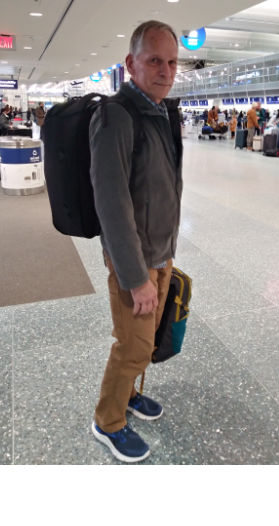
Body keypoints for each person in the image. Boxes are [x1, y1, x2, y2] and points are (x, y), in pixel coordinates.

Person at [89, 20, 183, 463]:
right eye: (154, 60)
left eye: (171, 61)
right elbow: (111, 202)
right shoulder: (116, 115)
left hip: (159, 254)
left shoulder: (160, 112)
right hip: (136, 261)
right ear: (131, 64)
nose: (165, 70)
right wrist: (134, 276)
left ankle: (127, 396)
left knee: (145, 341)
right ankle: (107, 420)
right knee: (134, 345)